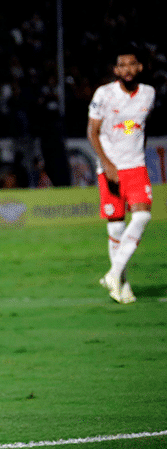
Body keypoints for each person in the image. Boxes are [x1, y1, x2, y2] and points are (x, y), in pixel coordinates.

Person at [87, 46, 155, 304]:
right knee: (116, 227)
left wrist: (138, 152)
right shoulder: (104, 94)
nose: (127, 69)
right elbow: (92, 132)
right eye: (122, 65)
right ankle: (122, 284)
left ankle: (113, 274)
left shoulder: (149, 93)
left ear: (139, 67)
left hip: (135, 166)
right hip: (110, 168)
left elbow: (141, 128)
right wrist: (107, 164)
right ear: (116, 70)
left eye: (132, 64)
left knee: (143, 216)